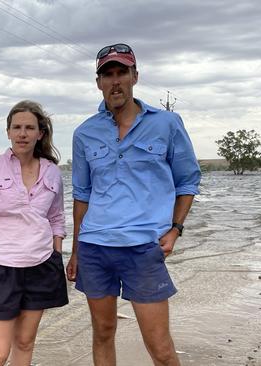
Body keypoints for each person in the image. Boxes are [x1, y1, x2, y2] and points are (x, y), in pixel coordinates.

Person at [66, 43, 201, 366]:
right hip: (95, 246)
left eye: (121, 73)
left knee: (160, 347)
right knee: (103, 332)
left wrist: (176, 229)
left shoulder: (167, 124)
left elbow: (187, 181)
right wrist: (75, 251)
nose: (115, 81)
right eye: (107, 75)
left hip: (143, 248)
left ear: (134, 77)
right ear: (98, 83)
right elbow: (81, 194)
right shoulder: (84, 133)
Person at [0, 100, 68, 366]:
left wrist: (56, 257)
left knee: (25, 343)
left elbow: (56, 219)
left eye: (29, 128)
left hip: (41, 267)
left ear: (40, 133)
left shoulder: (53, 173)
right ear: (8, 132)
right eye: (17, 127)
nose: (23, 133)